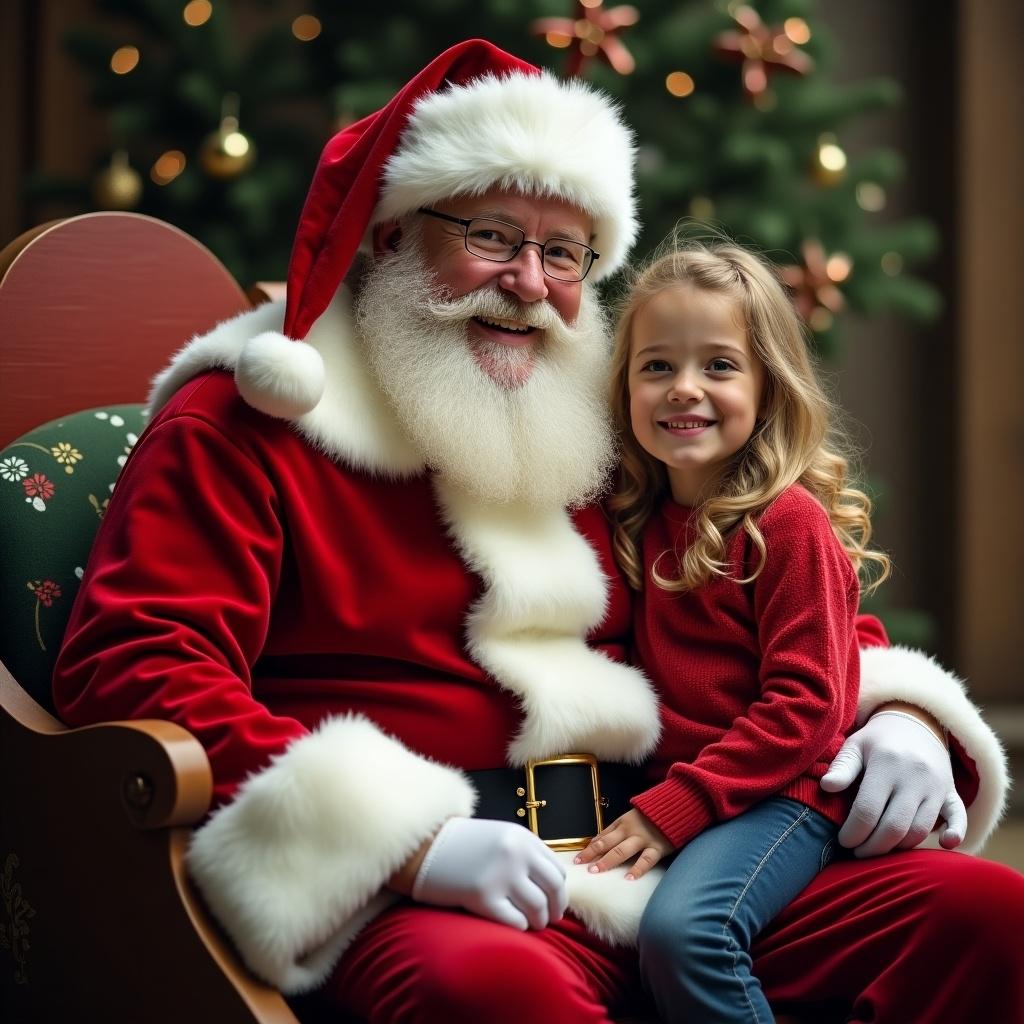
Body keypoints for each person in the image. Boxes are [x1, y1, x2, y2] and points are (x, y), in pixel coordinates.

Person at [51, 39, 1019, 1024]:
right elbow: (138, 667)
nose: (527, 281)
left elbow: (762, 583)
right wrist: (405, 839)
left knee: (983, 916)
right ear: (389, 234)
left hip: (662, 841)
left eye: (563, 253)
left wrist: (895, 713)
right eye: (491, 233)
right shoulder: (249, 421)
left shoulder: (603, 420)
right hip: (423, 883)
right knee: (491, 994)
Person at [575, 237, 905, 1021]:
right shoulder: (636, 517)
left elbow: (809, 706)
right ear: (623, 387)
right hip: (697, 788)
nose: (684, 389)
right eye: (657, 366)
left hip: (786, 793)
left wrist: (676, 807)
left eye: (719, 365)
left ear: (769, 386)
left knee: (690, 932)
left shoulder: (786, 524)